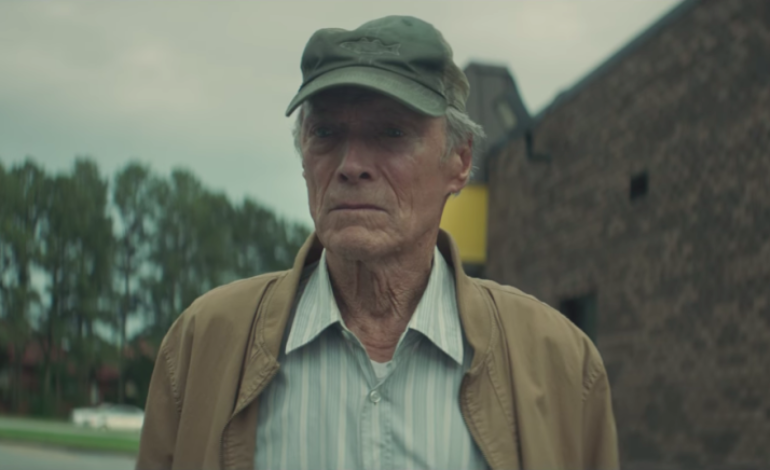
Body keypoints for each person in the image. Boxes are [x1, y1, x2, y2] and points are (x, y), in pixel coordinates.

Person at [136, 15, 619, 470]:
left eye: (391, 132)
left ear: (459, 160)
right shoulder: (203, 346)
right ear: (303, 155)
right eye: (326, 132)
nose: (351, 165)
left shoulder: (560, 365)